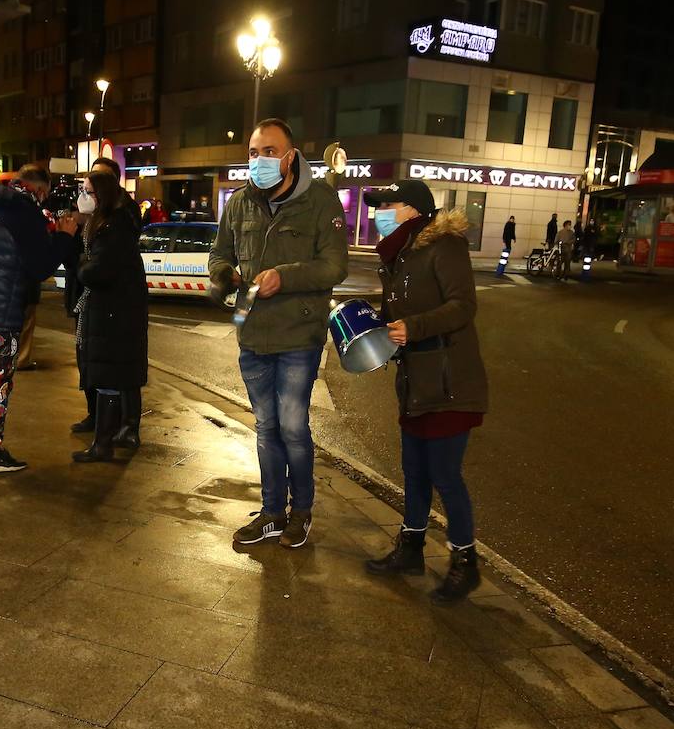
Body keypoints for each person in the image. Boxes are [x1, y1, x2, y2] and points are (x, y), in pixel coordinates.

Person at [207, 118, 347, 549]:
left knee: (291, 426)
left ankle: (300, 511)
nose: (259, 160)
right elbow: (219, 253)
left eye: (268, 152)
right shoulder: (239, 203)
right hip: (252, 334)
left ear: (290, 157)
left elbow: (334, 266)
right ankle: (272, 512)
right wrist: (223, 274)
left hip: (298, 335)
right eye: (253, 152)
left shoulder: (321, 201)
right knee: (266, 428)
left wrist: (283, 278)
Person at [362, 178, 487, 604]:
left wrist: (412, 328)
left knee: (445, 477)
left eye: (388, 204)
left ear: (413, 209)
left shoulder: (444, 246)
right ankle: (411, 549)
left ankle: (465, 564)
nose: (380, 212)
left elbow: (463, 305)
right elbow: (396, 313)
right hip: (416, 381)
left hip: (450, 382)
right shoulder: (398, 256)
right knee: (414, 472)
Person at [0, 162, 79, 472]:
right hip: (2, 311)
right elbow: (39, 269)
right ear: (37, 189)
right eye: (45, 194)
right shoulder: (27, 215)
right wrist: (63, 238)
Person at [68, 169, 147, 462]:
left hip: (115, 314)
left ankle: (104, 443)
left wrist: (82, 263)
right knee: (106, 378)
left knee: (109, 376)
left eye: (88, 191)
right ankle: (102, 441)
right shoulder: (102, 224)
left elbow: (98, 271)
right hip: (110, 312)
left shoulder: (115, 227)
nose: (83, 196)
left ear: (102, 194)